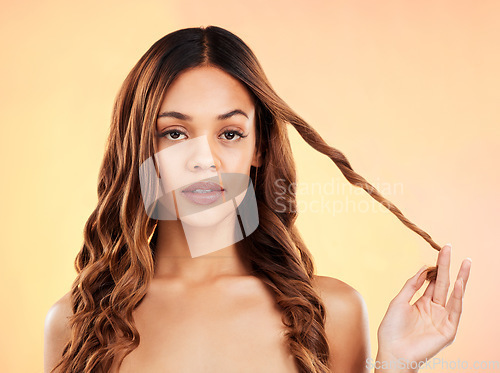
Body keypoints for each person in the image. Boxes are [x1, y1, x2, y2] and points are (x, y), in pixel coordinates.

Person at [44, 25, 472, 373]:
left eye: (229, 134)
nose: (204, 160)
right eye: (174, 133)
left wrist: (396, 367)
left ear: (259, 148)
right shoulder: (76, 324)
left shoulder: (331, 314)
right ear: (141, 148)